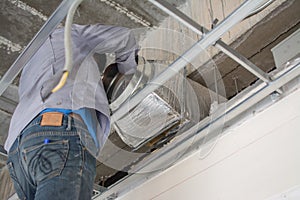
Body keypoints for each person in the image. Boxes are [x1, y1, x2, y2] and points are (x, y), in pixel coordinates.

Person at [4, 24, 138, 199]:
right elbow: (125, 37)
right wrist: (126, 73)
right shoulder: (68, 36)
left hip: (19, 154)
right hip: (57, 134)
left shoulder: (32, 68)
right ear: (92, 59)